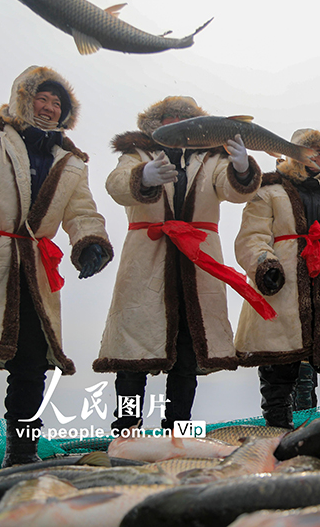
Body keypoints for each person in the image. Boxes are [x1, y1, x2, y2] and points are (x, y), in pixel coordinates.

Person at [0, 66, 113, 479]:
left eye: (58, 103)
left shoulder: (71, 162)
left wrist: (89, 241)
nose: (50, 108)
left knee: (32, 365)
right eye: (43, 98)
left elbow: (82, 210)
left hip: (33, 269)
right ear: (23, 98)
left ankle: (21, 453)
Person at [95, 96, 261, 430]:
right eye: (167, 120)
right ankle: (126, 429)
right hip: (147, 260)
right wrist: (143, 175)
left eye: (182, 121)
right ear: (155, 127)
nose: (174, 125)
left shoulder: (212, 158)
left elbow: (231, 190)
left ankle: (178, 429)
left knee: (188, 355)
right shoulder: (136, 152)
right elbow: (115, 184)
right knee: (131, 357)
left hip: (197, 264)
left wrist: (242, 169)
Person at [234, 129, 320, 428]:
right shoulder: (267, 190)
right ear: (293, 153)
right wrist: (264, 264)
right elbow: (252, 235)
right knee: (277, 380)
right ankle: (278, 439)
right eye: (308, 151)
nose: (315, 158)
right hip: (280, 291)